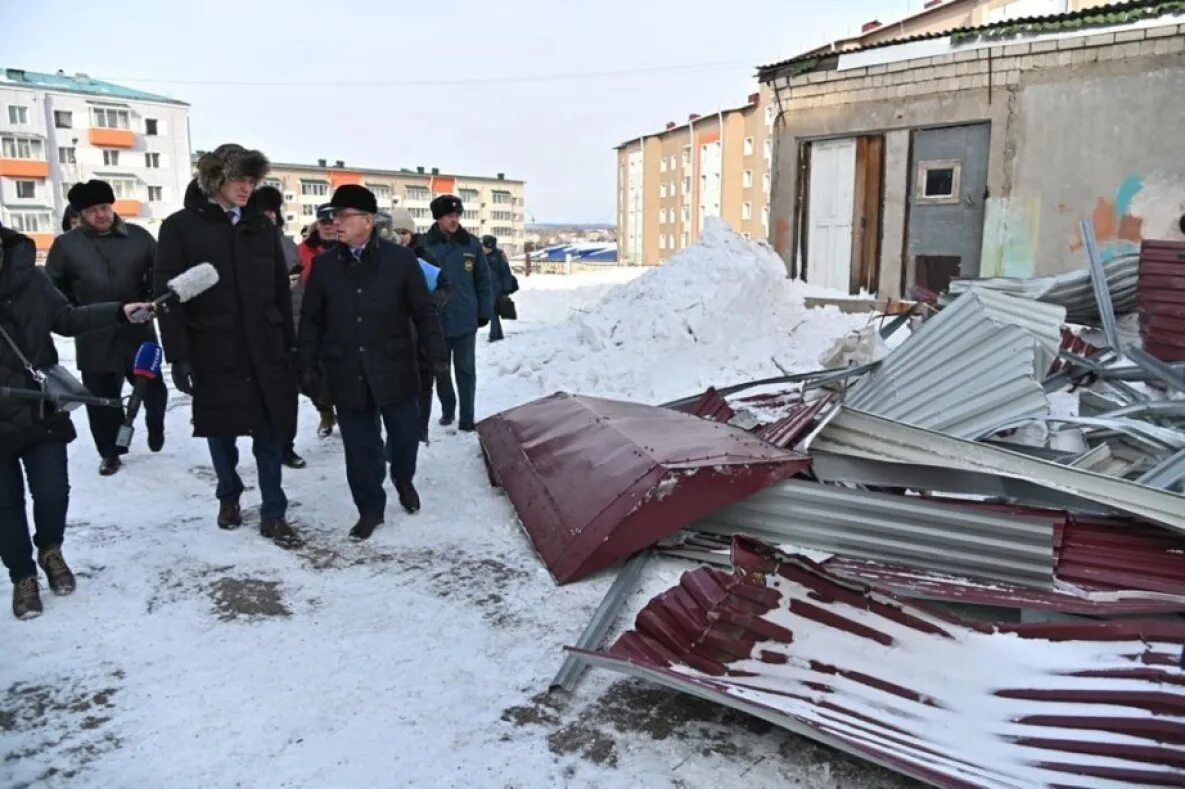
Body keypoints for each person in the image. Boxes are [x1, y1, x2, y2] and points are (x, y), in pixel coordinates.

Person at [0, 221, 152, 619]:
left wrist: (120, 311)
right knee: (4, 506)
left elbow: (66, 318)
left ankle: (50, 548)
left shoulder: (27, 276)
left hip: (39, 406)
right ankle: (22, 577)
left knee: (52, 492)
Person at [154, 143, 302, 549]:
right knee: (222, 431)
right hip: (213, 347)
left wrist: (288, 345)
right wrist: (179, 355)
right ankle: (229, 495)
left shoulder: (261, 227)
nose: (247, 187)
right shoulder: (181, 226)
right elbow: (169, 294)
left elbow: (278, 291)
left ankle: (274, 511)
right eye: (239, 179)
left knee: (271, 430)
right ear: (216, 179)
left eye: (252, 180)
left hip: (265, 345)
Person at [298, 186, 447, 541]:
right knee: (360, 447)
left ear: (367, 221)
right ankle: (370, 508)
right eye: (331, 216)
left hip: (395, 365)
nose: (335, 223)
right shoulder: (323, 266)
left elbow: (423, 311)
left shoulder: (400, 260)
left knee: (404, 436)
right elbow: (311, 319)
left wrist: (437, 354)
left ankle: (403, 478)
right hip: (347, 368)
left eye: (342, 215)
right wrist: (306, 363)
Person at [45, 180, 166, 476]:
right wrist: (74, 310)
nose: (101, 215)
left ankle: (155, 423)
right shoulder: (66, 245)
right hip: (94, 335)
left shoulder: (139, 237)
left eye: (104, 208)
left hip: (137, 330)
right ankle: (110, 452)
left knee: (153, 388)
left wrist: (153, 299)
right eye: (92, 211)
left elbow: (159, 273)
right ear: (81, 214)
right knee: (101, 400)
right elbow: (52, 288)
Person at [420, 195, 493, 432]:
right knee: (441, 372)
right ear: (438, 218)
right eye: (448, 216)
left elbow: (484, 281)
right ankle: (448, 408)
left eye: (457, 215)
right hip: (435, 320)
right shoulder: (424, 245)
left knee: (466, 370)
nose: (454, 220)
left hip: (464, 318)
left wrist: (484, 312)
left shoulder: (471, 244)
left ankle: (467, 417)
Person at [250, 185, 307, 470]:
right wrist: (279, 287)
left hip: (291, 327)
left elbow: (300, 292)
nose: (270, 216)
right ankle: (265, 443)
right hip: (259, 332)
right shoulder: (243, 245)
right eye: (263, 211)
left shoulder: (287, 244)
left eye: (274, 211)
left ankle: (286, 444)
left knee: (289, 394)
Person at [389, 208, 453, 443]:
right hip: (394, 334)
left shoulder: (426, 256)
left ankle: (421, 428)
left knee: (424, 383)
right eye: (396, 231)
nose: (401, 237)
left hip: (423, 332)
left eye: (405, 232)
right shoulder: (381, 258)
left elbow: (446, 286)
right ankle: (397, 434)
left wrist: (432, 300)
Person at [298, 204, 339, 439]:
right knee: (311, 377)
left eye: (334, 222)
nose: (330, 227)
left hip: (340, 322)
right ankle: (324, 411)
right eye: (325, 223)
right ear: (318, 225)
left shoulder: (348, 248)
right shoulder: (302, 250)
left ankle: (344, 412)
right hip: (310, 321)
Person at [481, 234, 518, 343]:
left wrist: (506, 290)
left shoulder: (499, 255)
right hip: (484, 288)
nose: (483, 249)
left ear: (490, 246)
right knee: (492, 312)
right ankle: (497, 334)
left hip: (496, 288)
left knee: (493, 312)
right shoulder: (480, 255)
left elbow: (506, 273)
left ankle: (495, 335)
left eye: (485, 247)